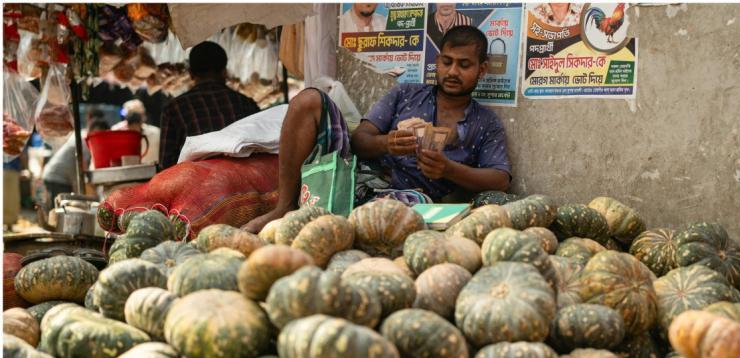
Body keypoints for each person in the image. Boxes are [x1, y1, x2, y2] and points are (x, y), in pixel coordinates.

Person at [242, 25, 510, 233]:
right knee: (308, 100)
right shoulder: (405, 94)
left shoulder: (485, 122)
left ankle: (335, 217)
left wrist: (448, 169)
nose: (453, 71)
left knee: (412, 210)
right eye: (447, 61)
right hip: (356, 176)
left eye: (464, 65)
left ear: (482, 69)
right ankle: (285, 205)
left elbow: (500, 180)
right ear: (437, 62)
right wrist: (387, 143)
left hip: (410, 200)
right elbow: (359, 140)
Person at [158, 41, 260, 170]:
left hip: (196, 186)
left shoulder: (174, 109)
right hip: (247, 184)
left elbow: (166, 166)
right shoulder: (246, 104)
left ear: (190, 73)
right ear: (225, 72)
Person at [42, 117, 111, 204]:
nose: (100, 139)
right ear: (91, 130)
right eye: (99, 134)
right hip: (56, 177)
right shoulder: (84, 140)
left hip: (58, 176)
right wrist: (95, 189)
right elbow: (84, 167)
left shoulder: (83, 136)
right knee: (61, 208)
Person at [112, 99, 160, 165]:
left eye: (137, 115)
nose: (134, 119)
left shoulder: (156, 133)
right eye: (131, 115)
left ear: (143, 116)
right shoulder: (116, 132)